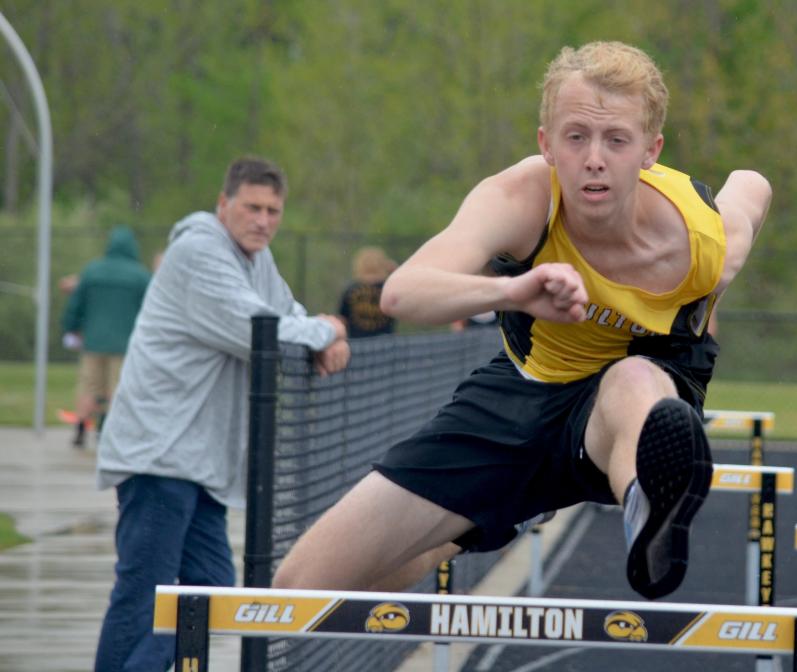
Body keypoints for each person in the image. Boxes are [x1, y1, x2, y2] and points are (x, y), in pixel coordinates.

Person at [273, 41, 771, 600]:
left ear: (651, 151)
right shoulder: (524, 197)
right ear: (546, 143)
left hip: (633, 402)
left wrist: (715, 297)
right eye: (575, 136)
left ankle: (649, 513)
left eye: (616, 140)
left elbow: (752, 184)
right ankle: (474, 521)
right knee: (298, 585)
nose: (594, 159)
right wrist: (514, 291)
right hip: (522, 392)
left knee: (631, 381)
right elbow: (402, 294)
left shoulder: (703, 242)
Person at [93, 157, 351, 672]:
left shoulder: (256, 259)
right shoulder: (198, 253)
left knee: (208, 592)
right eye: (252, 207)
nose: (263, 220)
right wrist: (328, 331)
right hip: (159, 456)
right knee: (148, 601)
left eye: (273, 210)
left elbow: (287, 313)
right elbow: (256, 329)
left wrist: (319, 327)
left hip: (202, 465)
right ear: (223, 205)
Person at [60, 226, 152, 448]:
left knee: (89, 385)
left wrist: (70, 327)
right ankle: (106, 430)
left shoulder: (92, 271)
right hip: (125, 343)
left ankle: (81, 427)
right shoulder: (140, 276)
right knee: (117, 388)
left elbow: (76, 305)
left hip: (93, 342)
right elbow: (151, 309)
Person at [338, 246, 398, 337]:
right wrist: (395, 271)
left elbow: (342, 318)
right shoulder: (388, 287)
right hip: (385, 341)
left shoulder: (351, 289)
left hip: (358, 342)